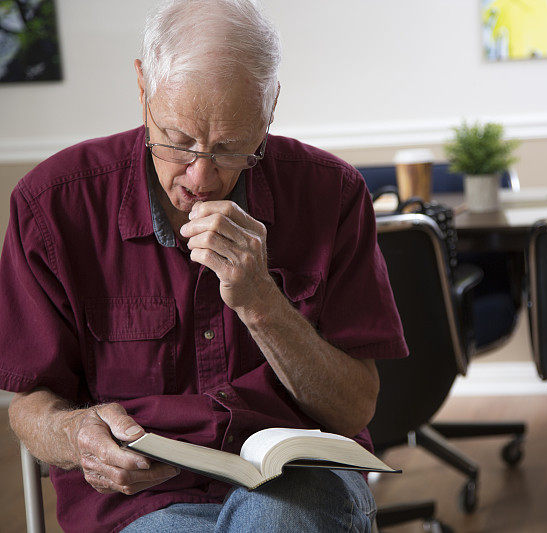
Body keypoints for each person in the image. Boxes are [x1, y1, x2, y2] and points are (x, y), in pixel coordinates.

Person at [0, 1, 408, 531]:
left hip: (301, 481)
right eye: (178, 141)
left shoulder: (332, 194)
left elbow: (354, 410)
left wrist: (261, 299)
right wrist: (76, 434)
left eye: (231, 149)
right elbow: (29, 404)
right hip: (142, 497)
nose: (201, 176)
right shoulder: (54, 204)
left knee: (280, 521)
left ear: (271, 109)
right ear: (143, 87)